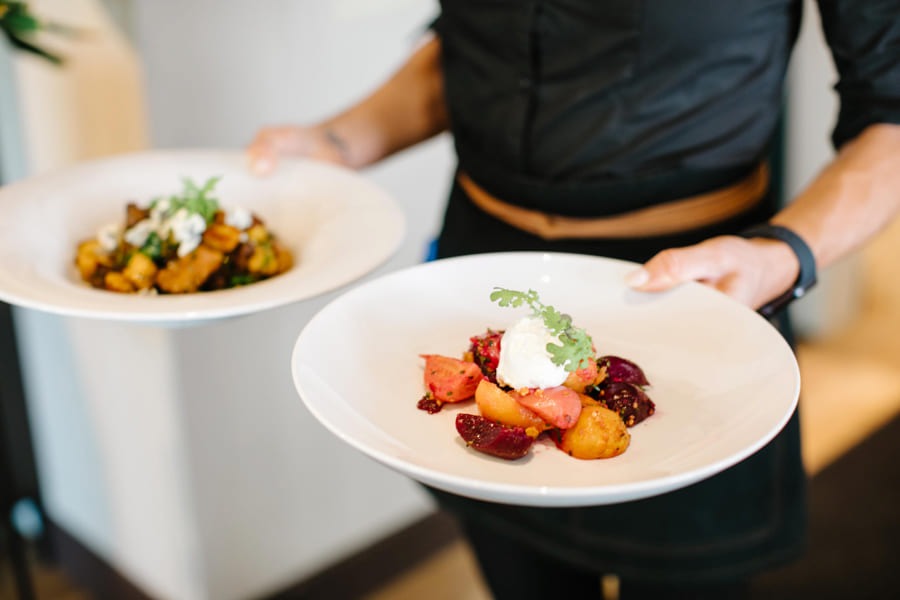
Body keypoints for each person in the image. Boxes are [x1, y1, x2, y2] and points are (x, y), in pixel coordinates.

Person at [247, 3, 900, 598]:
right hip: (483, 274)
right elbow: (471, 45)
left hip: (694, 307)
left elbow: (891, 110)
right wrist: (335, 143)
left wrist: (784, 254)